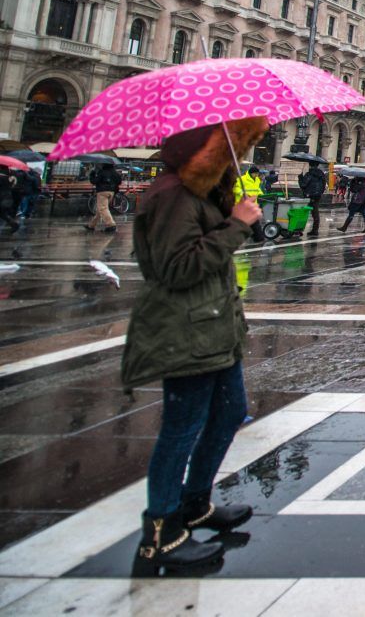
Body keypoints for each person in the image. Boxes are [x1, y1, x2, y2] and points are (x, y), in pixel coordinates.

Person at [124, 117, 267, 573]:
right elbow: (178, 268)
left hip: (214, 326)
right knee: (180, 430)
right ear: (204, 152)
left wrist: (234, 215)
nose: (236, 158)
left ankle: (195, 502)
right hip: (185, 329)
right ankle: (161, 533)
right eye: (228, 150)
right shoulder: (171, 195)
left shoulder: (200, 192)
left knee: (228, 412)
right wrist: (236, 226)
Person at [86, 160, 123, 232]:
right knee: (101, 209)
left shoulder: (102, 172)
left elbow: (94, 181)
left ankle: (111, 225)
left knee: (103, 209)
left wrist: (92, 174)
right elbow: (119, 181)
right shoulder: (115, 173)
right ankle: (91, 225)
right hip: (112, 192)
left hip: (102, 192)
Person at [298, 162, 327, 236]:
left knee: (303, 213)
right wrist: (319, 193)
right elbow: (323, 186)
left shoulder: (309, 174)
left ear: (310, 165)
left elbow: (303, 185)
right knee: (315, 213)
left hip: (308, 195)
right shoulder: (322, 174)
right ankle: (315, 230)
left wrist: (300, 177)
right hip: (317, 196)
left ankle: (298, 230)